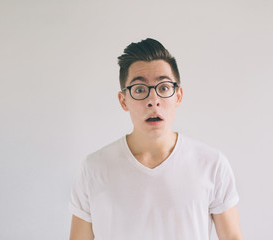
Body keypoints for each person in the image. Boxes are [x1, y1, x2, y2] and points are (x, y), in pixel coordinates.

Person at [69, 38, 243, 240]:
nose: (153, 101)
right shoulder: (94, 168)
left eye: (163, 87)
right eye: (140, 89)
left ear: (178, 96)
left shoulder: (211, 164)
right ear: (123, 100)